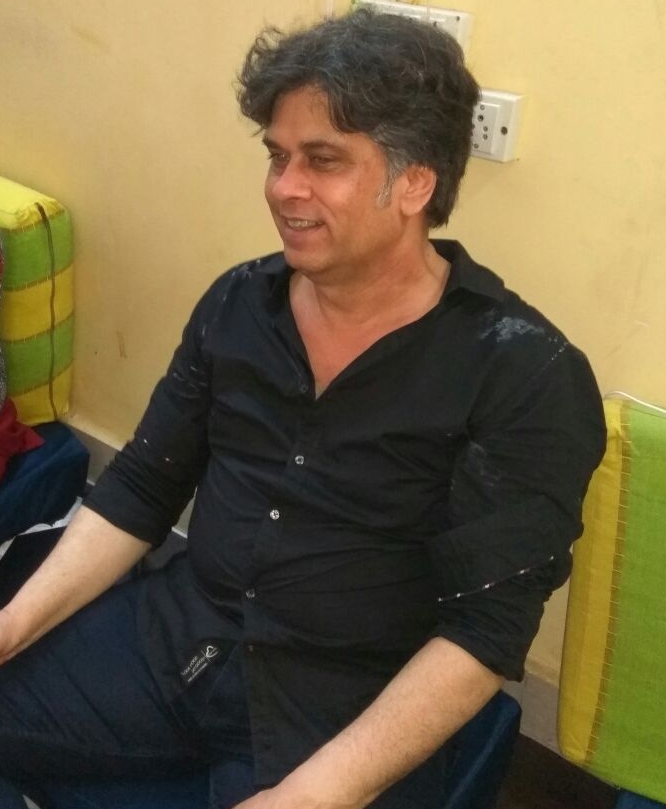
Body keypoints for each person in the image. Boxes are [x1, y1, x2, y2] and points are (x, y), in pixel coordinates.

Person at [0, 8, 606, 809]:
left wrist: (312, 794)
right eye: (278, 156)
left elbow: (483, 632)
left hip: (346, 698)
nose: (284, 188)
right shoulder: (239, 303)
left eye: (323, 160)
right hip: (181, 633)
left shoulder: (524, 373)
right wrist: (11, 626)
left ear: (415, 181)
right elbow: (142, 486)